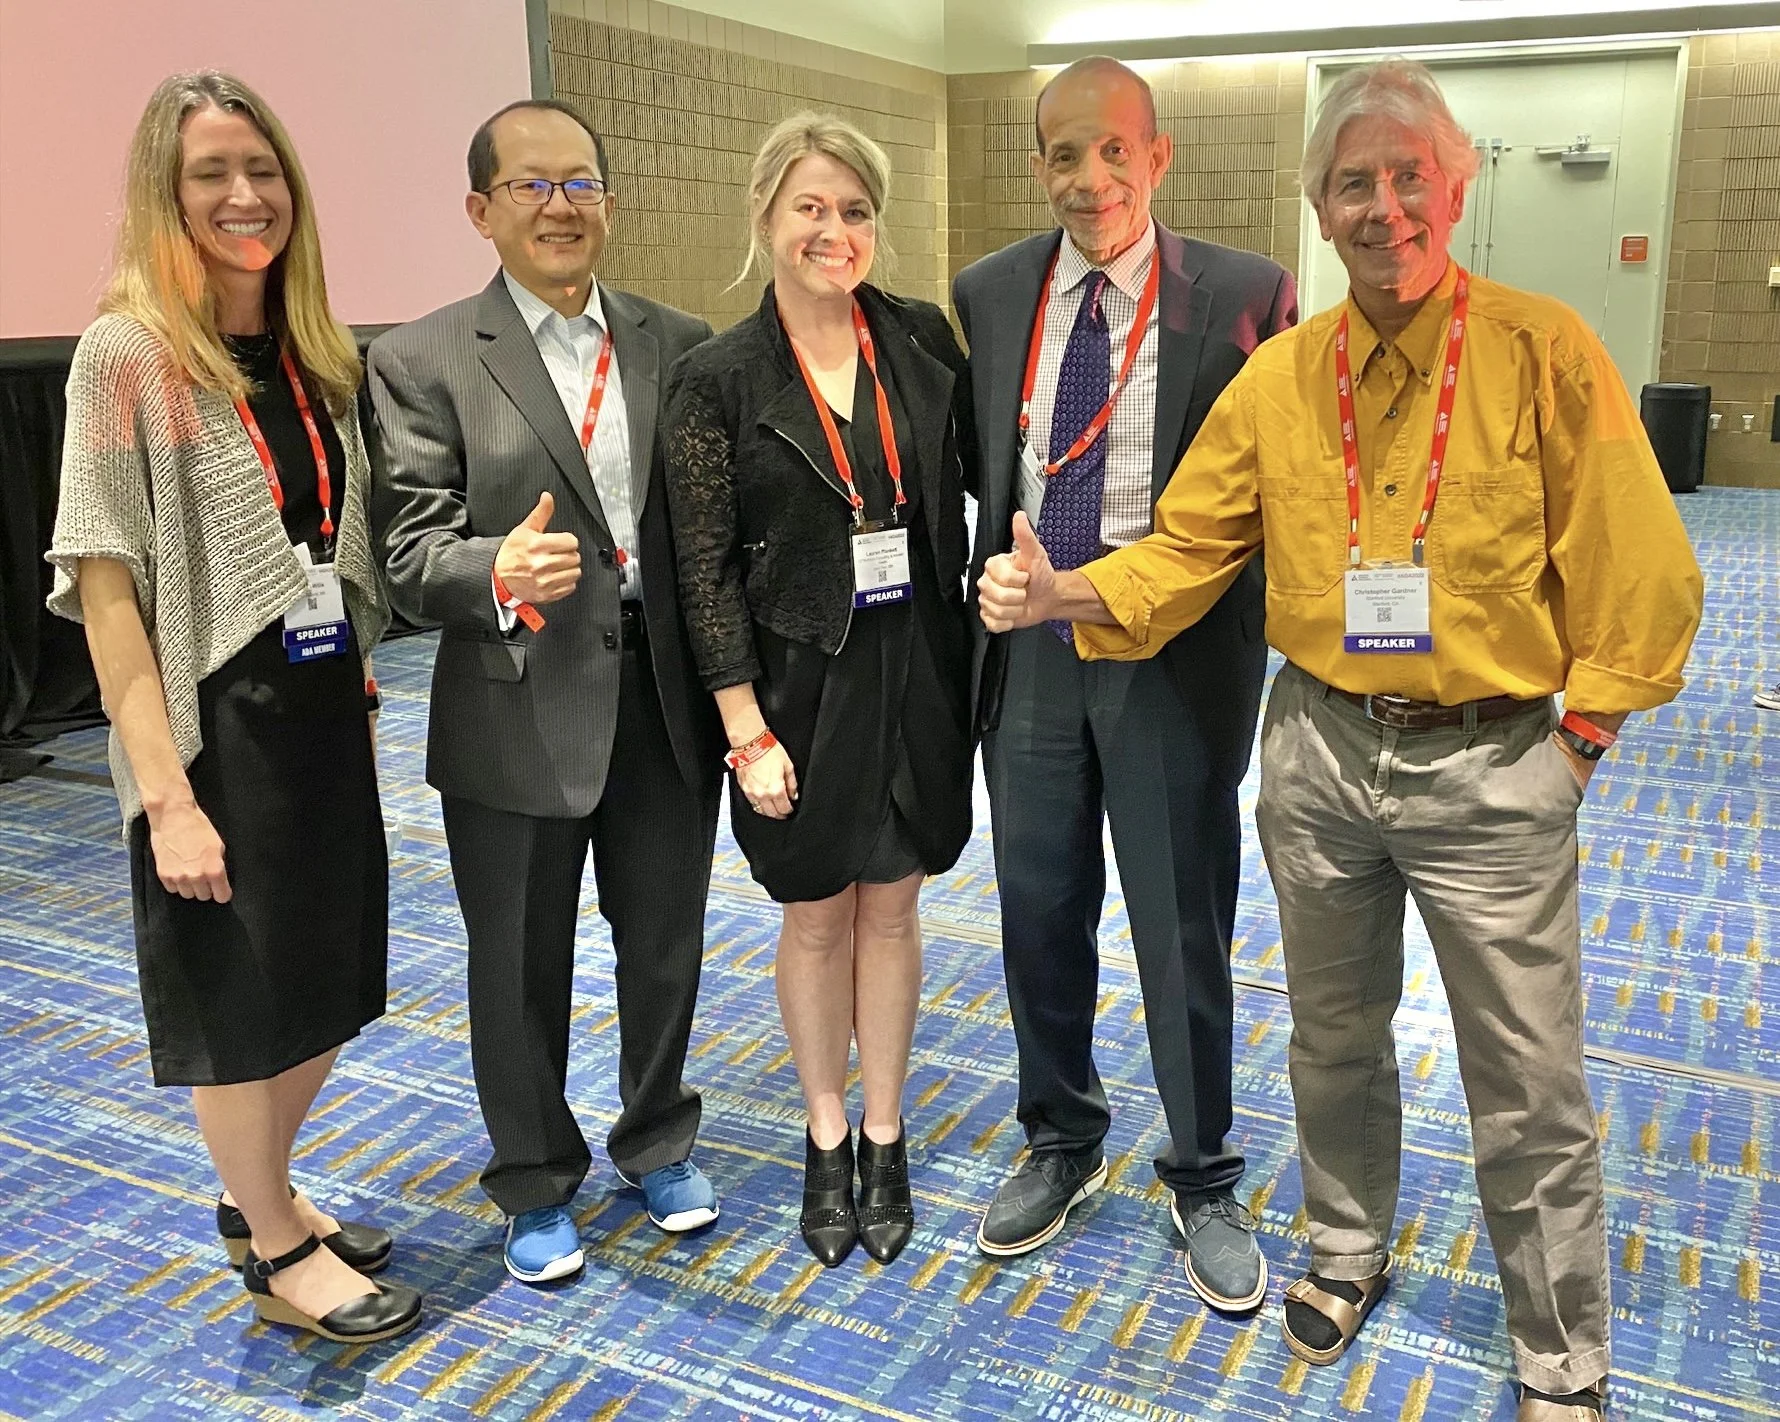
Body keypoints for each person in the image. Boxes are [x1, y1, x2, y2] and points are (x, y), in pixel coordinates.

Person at [978, 59, 1704, 1422]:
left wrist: (1582, 741)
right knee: (1333, 1037)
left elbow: (1647, 570)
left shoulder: (1544, 351)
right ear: (1320, 204)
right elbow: (1189, 545)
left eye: (1407, 176)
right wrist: (1068, 591)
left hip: (1492, 763)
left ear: (1458, 181)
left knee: (1527, 1075)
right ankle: (1343, 1248)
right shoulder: (1281, 379)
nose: (1384, 207)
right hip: (1313, 753)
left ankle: (1559, 1349)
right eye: (1354, 184)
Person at [46, 72, 420, 1343]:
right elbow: (108, 600)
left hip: (323, 716)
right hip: (214, 731)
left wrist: (359, 684)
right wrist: (165, 799)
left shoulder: (315, 353)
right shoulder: (127, 357)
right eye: (211, 173)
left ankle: (261, 1190)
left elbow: (328, 542)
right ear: (167, 193)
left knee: (327, 986)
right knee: (243, 1009)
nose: (243, 196)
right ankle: (274, 1248)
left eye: (261, 170)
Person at [951, 56, 1296, 1310]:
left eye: (1112, 152)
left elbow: (1276, 489)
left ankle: (1201, 1168)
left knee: (1177, 920)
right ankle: (1061, 1136)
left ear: (1157, 157)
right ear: (1037, 164)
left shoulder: (1249, 294)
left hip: (1174, 653)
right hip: (1032, 653)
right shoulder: (988, 294)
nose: (1086, 178)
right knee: (1039, 911)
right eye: (1060, 155)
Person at [368, 100, 725, 1285]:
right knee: (518, 960)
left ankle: (657, 1137)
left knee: (665, 942)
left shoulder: (680, 340)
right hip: (513, 700)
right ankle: (531, 1181)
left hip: (664, 699)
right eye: (531, 187)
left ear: (609, 203)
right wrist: (497, 569)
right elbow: (410, 555)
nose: (560, 206)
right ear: (481, 210)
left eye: (580, 183)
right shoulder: (421, 358)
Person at [663, 113, 976, 1269]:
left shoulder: (921, 341)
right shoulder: (715, 379)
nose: (832, 230)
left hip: (916, 667)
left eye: (851, 209)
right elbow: (702, 573)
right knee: (815, 914)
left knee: (893, 905)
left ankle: (884, 1135)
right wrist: (745, 729)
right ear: (765, 217)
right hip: (795, 680)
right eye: (809, 207)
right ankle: (824, 1134)